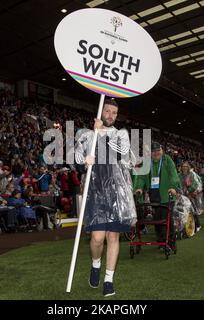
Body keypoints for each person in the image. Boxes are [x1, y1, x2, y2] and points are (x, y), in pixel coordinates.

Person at [74, 98, 136, 297]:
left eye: (113, 113)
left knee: (113, 236)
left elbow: (122, 154)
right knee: (97, 238)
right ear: (100, 112)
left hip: (117, 193)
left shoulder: (121, 134)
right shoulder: (86, 135)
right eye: (107, 111)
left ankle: (108, 280)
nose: (110, 115)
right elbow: (74, 162)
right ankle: (95, 264)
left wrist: (101, 134)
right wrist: (84, 160)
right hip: (96, 192)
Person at [134, 141, 180, 244]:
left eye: (158, 150)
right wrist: (139, 188)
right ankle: (160, 240)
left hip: (167, 194)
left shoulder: (167, 160)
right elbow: (141, 177)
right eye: (153, 151)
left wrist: (173, 187)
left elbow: (173, 174)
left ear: (162, 150)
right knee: (157, 219)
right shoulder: (146, 162)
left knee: (166, 218)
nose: (156, 153)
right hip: (154, 194)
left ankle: (170, 241)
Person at [178, 161, 203, 232]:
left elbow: (195, 184)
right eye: (183, 166)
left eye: (186, 166)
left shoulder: (191, 174)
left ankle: (198, 225)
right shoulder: (179, 175)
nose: (184, 168)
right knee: (182, 211)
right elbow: (177, 183)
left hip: (190, 195)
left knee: (193, 210)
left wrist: (189, 191)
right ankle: (183, 227)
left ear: (188, 167)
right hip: (181, 195)